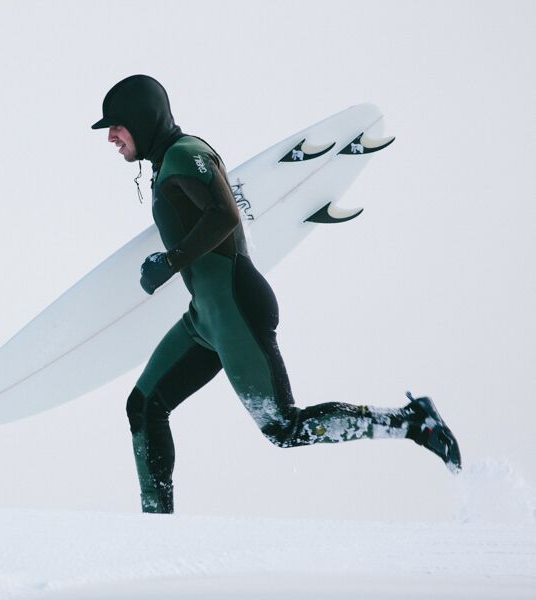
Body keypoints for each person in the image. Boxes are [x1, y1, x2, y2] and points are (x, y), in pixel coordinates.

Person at [91, 74, 462, 514]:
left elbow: (225, 215)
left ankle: (413, 424)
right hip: (206, 318)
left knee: (284, 427)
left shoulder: (185, 155)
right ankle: (156, 525)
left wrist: (169, 262)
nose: (111, 136)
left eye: (117, 125)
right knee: (144, 405)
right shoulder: (167, 164)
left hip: (236, 309)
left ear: (141, 118)